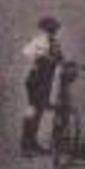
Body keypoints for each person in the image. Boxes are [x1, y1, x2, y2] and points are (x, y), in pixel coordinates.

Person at [21, 16, 64, 156]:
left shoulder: (56, 43)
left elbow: (61, 58)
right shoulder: (39, 41)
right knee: (33, 109)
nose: (54, 31)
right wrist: (42, 56)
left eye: (55, 28)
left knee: (39, 112)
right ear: (45, 28)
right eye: (52, 28)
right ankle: (26, 144)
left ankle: (32, 142)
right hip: (36, 79)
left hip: (47, 80)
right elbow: (27, 52)